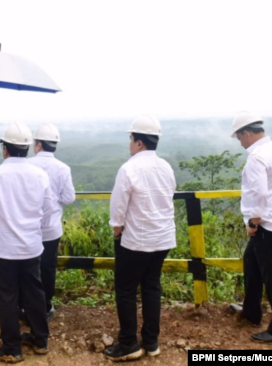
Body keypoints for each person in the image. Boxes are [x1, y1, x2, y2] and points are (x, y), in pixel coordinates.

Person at [0, 121, 54, 363]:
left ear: (5, 149)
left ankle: (12, 348)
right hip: (31, 246)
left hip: (3, 248)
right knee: (35, 293)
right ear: (29, 148)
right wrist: (34, 229)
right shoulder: (40, 175)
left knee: (7, 297)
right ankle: (40, 340)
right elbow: (49, 209)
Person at [105, 115, 176, 362]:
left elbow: (118, 209)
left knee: (125, 291)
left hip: (135, 240)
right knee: (151, 286)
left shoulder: (129, 168)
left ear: (138, 143)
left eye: (130, 138)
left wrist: (117, 232)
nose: (129, 144)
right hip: (162, 239)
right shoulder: (166, 166)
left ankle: (128, 343)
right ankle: (151, 342)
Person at [229, 111, 272, 343]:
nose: (240, 143)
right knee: (252, 264)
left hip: (264, 224)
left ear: (247, 133)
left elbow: (259, 194)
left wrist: (253, 222)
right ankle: (251, 312)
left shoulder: (256, 157)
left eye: (239, 138)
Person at [25, 123, 75, 321]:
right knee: (47, 268)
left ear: (38, 145)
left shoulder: (27, 165)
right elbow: (69, 198)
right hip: (52, 229)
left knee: (29, 268)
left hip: (29, 229)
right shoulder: (63, 168)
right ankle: (45, 307)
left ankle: (27, 307)